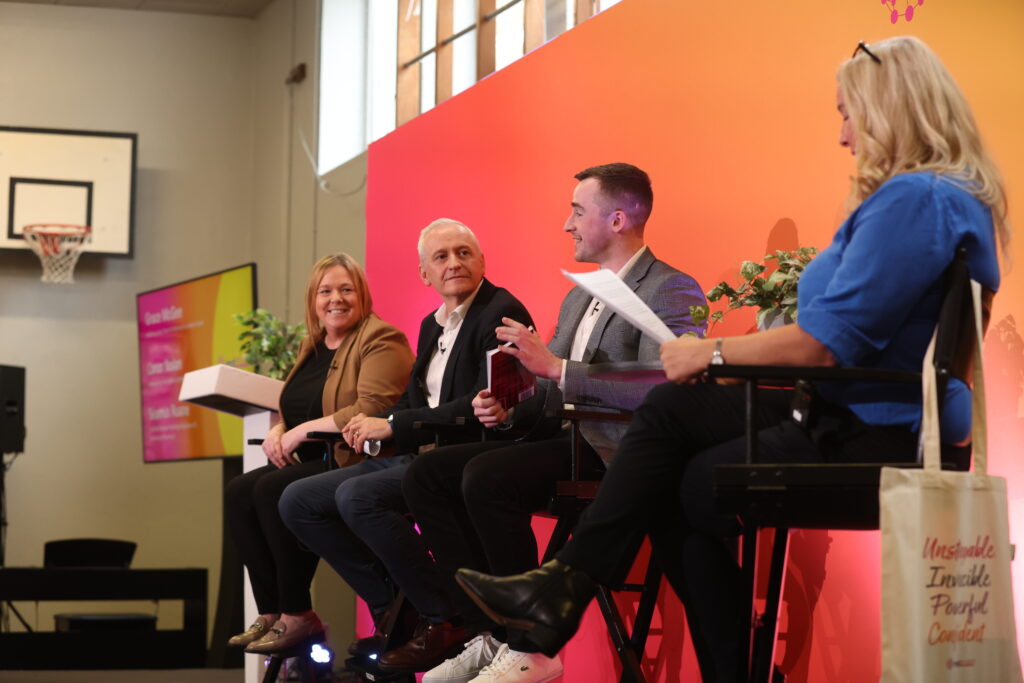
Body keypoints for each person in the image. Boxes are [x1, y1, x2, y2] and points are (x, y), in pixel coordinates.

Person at [453, 36, 1008, 682]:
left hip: (866, 421)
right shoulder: (946, 198)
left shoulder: (916, 200)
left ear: (889, 108)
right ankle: (571, 593)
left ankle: (566, 589)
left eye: (847, 113)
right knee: (679, 465)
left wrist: (707, 352)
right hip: (858, 404)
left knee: (669, 424)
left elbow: (820, 345)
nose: (843, 136)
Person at [402, 163, 707, 683]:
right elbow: (546, 388)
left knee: (486, 478)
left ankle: (528, 646)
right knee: (426, 476)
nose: (567, 225)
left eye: (577, 211)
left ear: (616, 219)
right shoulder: (578, 295)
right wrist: (506, 406)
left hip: (621, 451)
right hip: (566, 441)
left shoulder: (671, 288)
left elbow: (663, 385)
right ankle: (491, 634)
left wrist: (557, 369)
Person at [278, 219, 533, 671]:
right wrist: (377, 421)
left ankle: (445, 616)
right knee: (297, 499)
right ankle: (402, 606)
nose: (453, 263)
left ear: (482, 261)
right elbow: (418, 398)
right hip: (420, 455)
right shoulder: (431, 324)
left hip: (462, 457)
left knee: (355, 495)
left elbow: (476, 405)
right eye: (441, 257)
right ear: (424, 274)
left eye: (463, 253)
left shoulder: (499, 311)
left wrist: (393, 425)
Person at [224, 253, 414, 654]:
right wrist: (280, 427)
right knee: (239, 491)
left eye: (346, 289)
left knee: (271, 489)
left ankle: (298, 614)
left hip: (360, 460)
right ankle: (272, 612)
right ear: (313, 299)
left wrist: (301, 431)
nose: (336, 299)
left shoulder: (381, 338)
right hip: (317, 461)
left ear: (361, 294)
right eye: (326, 291)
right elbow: (298, 405)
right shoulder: (313, 344)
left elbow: (372, 407)